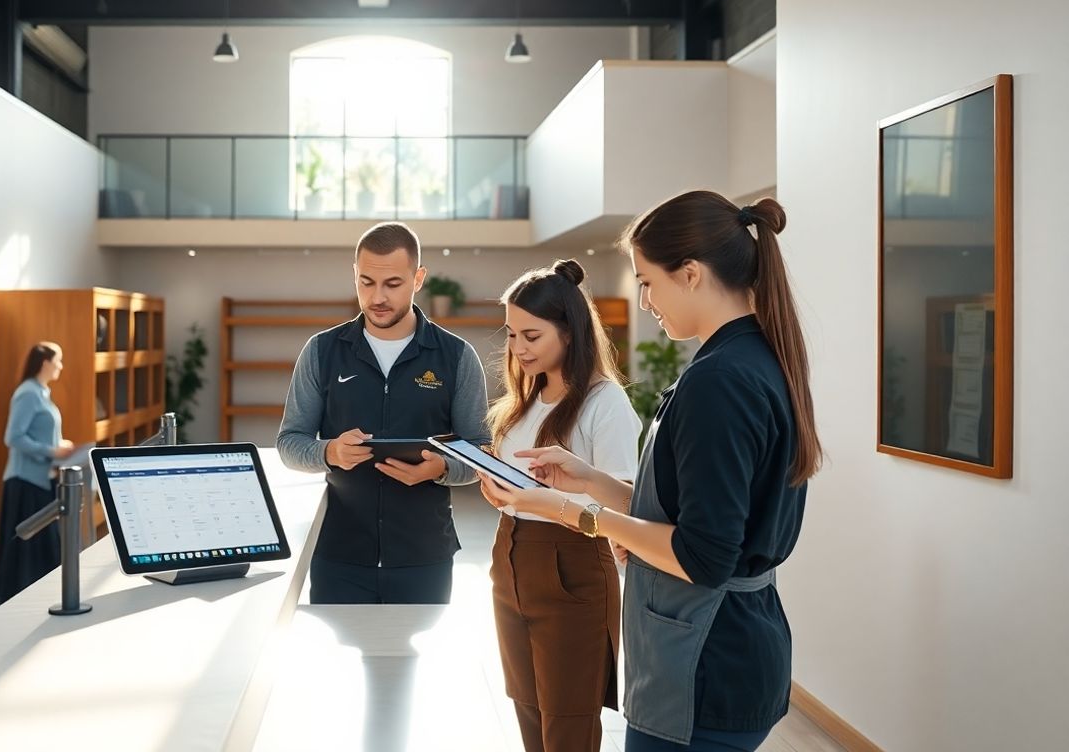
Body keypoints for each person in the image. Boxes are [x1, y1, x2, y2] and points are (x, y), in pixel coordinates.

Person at [479, 191, 822, 752]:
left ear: (689, 275)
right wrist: (591, 480)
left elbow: (702, 555)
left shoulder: (720, 382)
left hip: (705, 662)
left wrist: (575, 512)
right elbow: (696, 511)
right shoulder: (750, 359)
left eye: (646, 281)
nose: (643, 301)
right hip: (732, 645)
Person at [277, 221, 490, 604]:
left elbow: (480, 450)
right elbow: (290, 443)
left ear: (418, 278)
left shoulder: (456, 357)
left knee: (415, 666)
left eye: (392, 284)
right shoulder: (321, 352)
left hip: (424, 556)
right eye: (366, 282)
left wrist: (440, 469)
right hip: (339, 556)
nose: (377, 297)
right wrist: (329, 452)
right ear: (354, 275)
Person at [485, 259, 642, 752]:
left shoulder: (604, 401)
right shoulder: (525, 397)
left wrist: (548, 501)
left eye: (532, 336)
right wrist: (497, 489)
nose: (518, 348)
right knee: (528, 708)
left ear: (570, 332)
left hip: (572, 561)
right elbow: (522, 485)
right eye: (511, 335)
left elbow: (626, 497)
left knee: (568, 721)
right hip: (510, 556)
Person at [0, 341, 75, 606]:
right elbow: (13, 437)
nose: (60, 366)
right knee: (31, 547)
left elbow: (41, 431)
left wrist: (59, 447)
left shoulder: (41, 393)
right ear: (45, 363)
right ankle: (18, 602)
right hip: (25, 482)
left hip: (43, 479)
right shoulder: (27, 393)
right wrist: (51, 451)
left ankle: (40, 600)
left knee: (45, 546)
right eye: (58, 360)